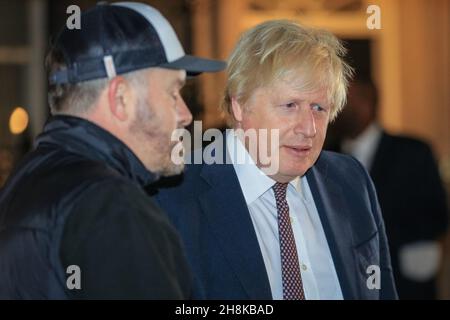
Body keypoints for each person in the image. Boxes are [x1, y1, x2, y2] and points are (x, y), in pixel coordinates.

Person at [155, 20, 397, 299]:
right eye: (290, 106)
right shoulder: (173, 193)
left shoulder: (351, 180)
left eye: (319, 108)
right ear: (240, 104)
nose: (309, 128)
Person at [0, 2, 225, 299]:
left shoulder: (28, 179)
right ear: (120, 98)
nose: (185, 114)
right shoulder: (112, 207)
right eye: (173, 93)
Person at [330, 77, 449, 299]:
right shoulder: (324, 156)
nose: (332, 107)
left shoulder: (413, 152)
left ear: (367, 103)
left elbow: (437, 214)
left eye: (342, 99)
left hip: (405, 280)